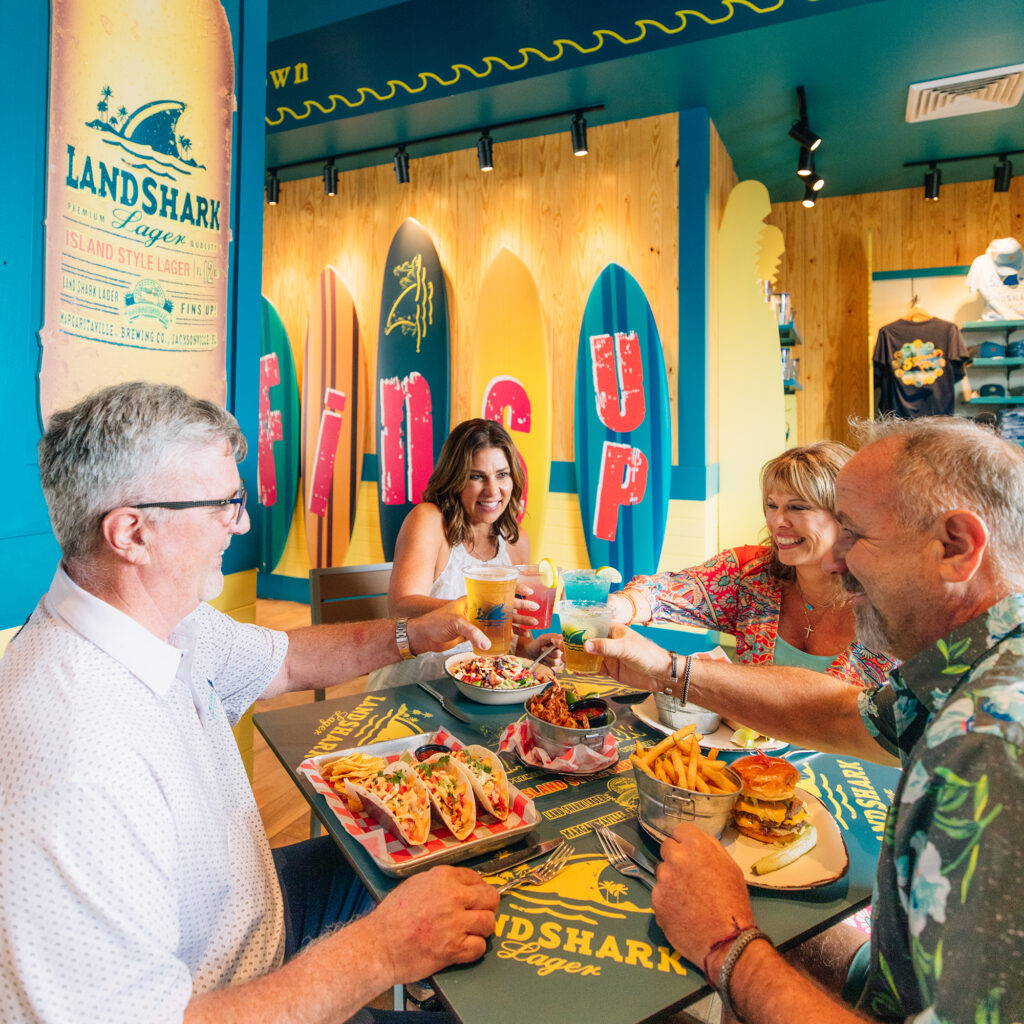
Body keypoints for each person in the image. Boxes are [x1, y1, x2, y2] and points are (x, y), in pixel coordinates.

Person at [0, 382, 499, 1024]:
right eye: (224, 504)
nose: (240, 523)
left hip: (251, 910)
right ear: (131, 533)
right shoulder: (75, 763)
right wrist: (380, 952)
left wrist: (409, 634)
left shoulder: (160, 617)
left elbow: (287, 659)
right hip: (225, 988)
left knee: (465, 848)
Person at [589, 416, 1024, 1024]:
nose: (837, 562)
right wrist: (670, 670)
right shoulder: (968, 663)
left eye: (855, 534)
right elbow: (852, 717)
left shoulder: (994, 748)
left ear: (956, 547)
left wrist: (727, 943)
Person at [607, 441, 895, 687]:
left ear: (845, 516)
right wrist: (618, 608)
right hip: (754, 751)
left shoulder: (890, 605)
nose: (777, 522)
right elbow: (667, 591)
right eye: (772, 506)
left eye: (797, 507)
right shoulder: (751, 573)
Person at [368, 418, 561, 689]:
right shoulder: (429, 520)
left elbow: (513, 635)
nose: (493, 490)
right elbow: (401, 606)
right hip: (416, 685)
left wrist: (529, 651)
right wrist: (479, 610)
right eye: (476, 476)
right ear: (455, 478)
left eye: (502, 475)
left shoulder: (517, 541)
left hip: (481, 690)